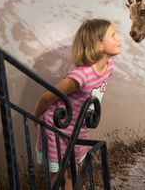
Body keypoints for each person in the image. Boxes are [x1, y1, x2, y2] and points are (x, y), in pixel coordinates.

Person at [33, 18, 121, 188]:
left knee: (71, 171)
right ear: (99, 45)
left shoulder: (109, 67)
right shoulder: (81, 76)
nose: (119, 39)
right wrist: (35, 116)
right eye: (113, 35)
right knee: (58, 174)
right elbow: (47, 98)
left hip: (78, 127)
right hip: (57, 127)